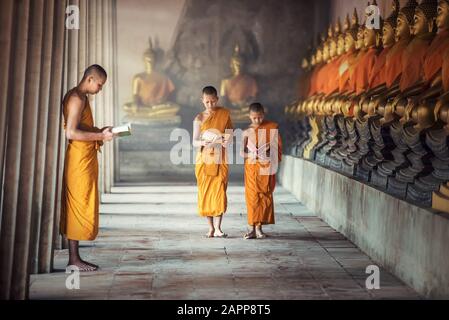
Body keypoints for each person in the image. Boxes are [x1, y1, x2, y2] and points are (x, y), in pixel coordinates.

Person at [60, 64, 116, 271]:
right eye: (99, 85)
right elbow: (71, 133)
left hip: (84, 156)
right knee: (77, 203)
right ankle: (74, 259)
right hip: (78, 158)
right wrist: (101, 136)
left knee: (81, 201)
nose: (100, 89)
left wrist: (100, 130)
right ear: (90, 79)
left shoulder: (81, 97)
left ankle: (75, 257)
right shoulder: (76, 98)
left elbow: (81, 128)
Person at [193, 86, 233, 238]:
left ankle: (218, 228)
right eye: (207, 102)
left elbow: (229, 135)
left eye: (213, 101)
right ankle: (210, 228)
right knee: (205, 193)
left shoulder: (225, 114)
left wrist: (222, 139)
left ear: (217, 99)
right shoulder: (199, 118)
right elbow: (194, 142)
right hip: (204, 160)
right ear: (202, 101)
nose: (210, 105)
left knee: (219, 192)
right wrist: (205, 142)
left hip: (220, 158)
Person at [241, 103, 282, 239]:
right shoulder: (246, 132)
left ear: (263, 115)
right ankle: (252, 229)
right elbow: (242, 152)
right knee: (252, 198)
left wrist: (268, 153)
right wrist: (251, 155)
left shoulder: (271, 128)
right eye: (254, 118)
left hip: (265, 167)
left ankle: (259, 229)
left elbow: (277, 149)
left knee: (264, 196)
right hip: (252, 168)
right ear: (249, 117)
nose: (257, 121)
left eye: (259, 118)